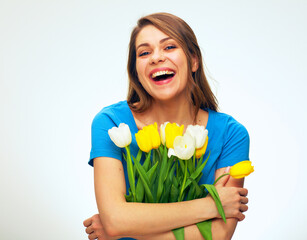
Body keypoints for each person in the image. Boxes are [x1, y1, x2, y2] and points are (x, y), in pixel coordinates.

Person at [83, 12, 250, 240]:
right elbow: (115, 220)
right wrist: (212, 206)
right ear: (136, 71)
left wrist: (125, 229)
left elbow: (219, 234)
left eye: (169, 47)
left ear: (193, 60)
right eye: (144, 52)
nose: (156, 58)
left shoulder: (232, 134)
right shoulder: (112, 123)